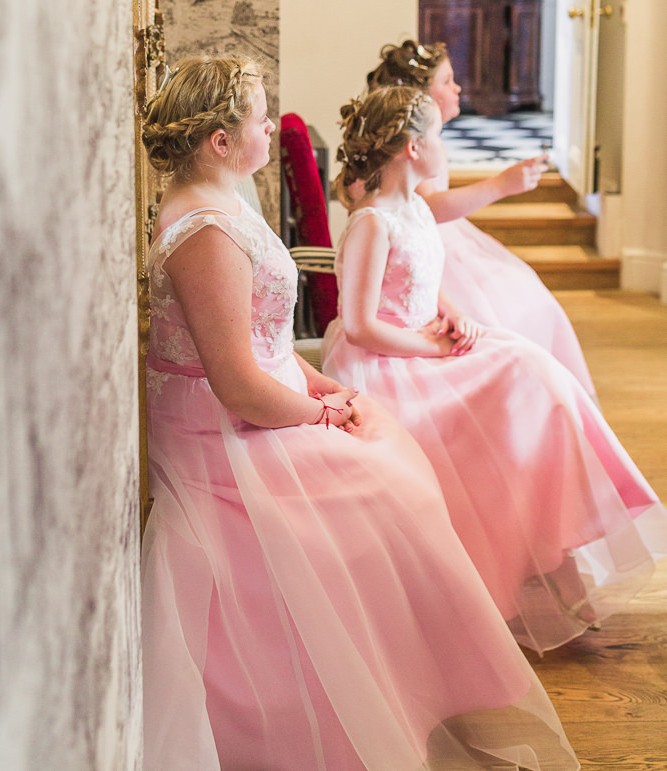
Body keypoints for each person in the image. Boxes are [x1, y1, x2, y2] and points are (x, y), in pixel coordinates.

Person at [139, 54, 579, 771]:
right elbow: (239, 383)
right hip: (216, 437)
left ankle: (407, 686)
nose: (266, 126)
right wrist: (318, 415)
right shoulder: (203, 233)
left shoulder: (224, 201)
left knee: (392, 467)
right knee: (378, 492)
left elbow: (268, 345)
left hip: (263, 399)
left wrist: (327, 390)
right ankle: (335, 702)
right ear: (219, 141)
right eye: (257, 117)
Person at [322, 83, 667, 657]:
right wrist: (433, 347)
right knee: (516, 394)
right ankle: (533, 569)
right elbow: (357, 324)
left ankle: (556, 556)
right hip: (389, 364)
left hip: (428, 342)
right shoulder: (372, 223)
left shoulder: (414, 210)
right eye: (437, 135)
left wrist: (458, 320)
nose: (443, 146)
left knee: (539, 377)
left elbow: (429, 288)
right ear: (411, 148)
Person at [366, 39, 597, 398]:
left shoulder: (429, 138)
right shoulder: (408, 150)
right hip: (429, 251)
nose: (457, 88)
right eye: (447, 81)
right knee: (509, 319)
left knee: (533, 299)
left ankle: (550, 402)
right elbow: (425, 211)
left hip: (450, 240)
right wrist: (501, 185)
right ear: (419, 95)